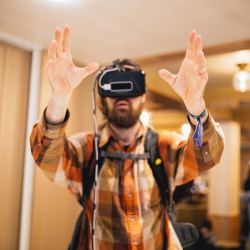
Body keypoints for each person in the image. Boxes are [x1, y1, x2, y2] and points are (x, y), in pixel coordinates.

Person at [30, 25, 224, 250]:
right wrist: (59, 99)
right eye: (114, 84)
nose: (123, 93)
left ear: (143, 95)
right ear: (103, 96)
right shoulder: (87, 148)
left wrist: (195, 106)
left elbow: (209, 155)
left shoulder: (162, 146)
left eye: (131, 83)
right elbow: (46, 157)